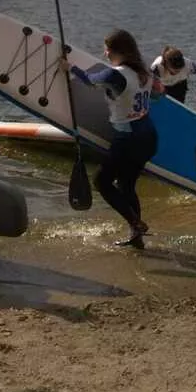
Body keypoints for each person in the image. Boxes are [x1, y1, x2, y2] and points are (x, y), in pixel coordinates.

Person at [59, 29, 163, 249]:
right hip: (149, 137)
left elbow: (90, 80)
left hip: (129, 140)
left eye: (106, 49)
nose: (105, 54)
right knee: (126, 185)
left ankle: (136, 224)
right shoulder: (144, 72)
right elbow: (158, 94)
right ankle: (137, 237)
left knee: (102, 182)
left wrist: (70, 68)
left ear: (117, 51)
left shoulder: (116, 75)